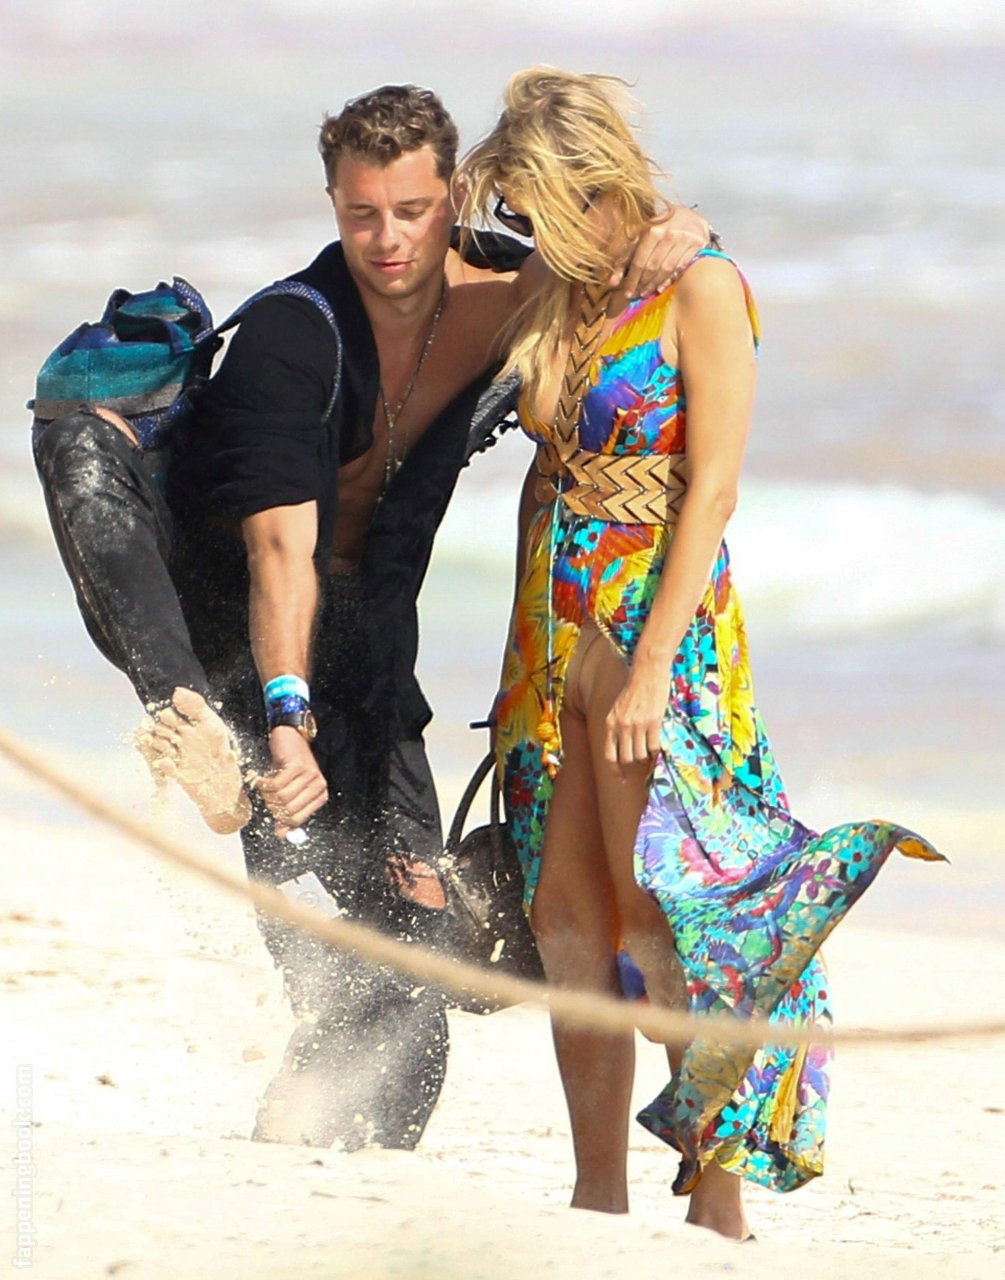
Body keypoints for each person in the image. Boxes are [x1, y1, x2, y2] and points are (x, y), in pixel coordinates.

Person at [31, 84, 711, 1153]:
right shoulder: (289, 338)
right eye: (361, 214)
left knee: (422, 985)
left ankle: (305, 1150)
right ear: (334, 205)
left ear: (455, 199)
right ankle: (186, 719)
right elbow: (279, 554)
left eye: (412, 211)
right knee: (355, 992)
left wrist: (685, 226)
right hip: (251, 652)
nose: (387, 240)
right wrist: (282, 719)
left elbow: (620, 255)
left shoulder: (513, 297)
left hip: (377, 666)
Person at [456, 67, 944, 1239]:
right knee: (566, 918)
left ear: (595, 184)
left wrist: (654, 664)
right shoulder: (555, 283)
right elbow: (435, 264)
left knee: (660, 911)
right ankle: (597, 1193)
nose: (528, 229)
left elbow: (713, 491)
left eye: (540, 206)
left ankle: (716, 1202)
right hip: (550, 626)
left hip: (655, 627)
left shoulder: (703, 286)